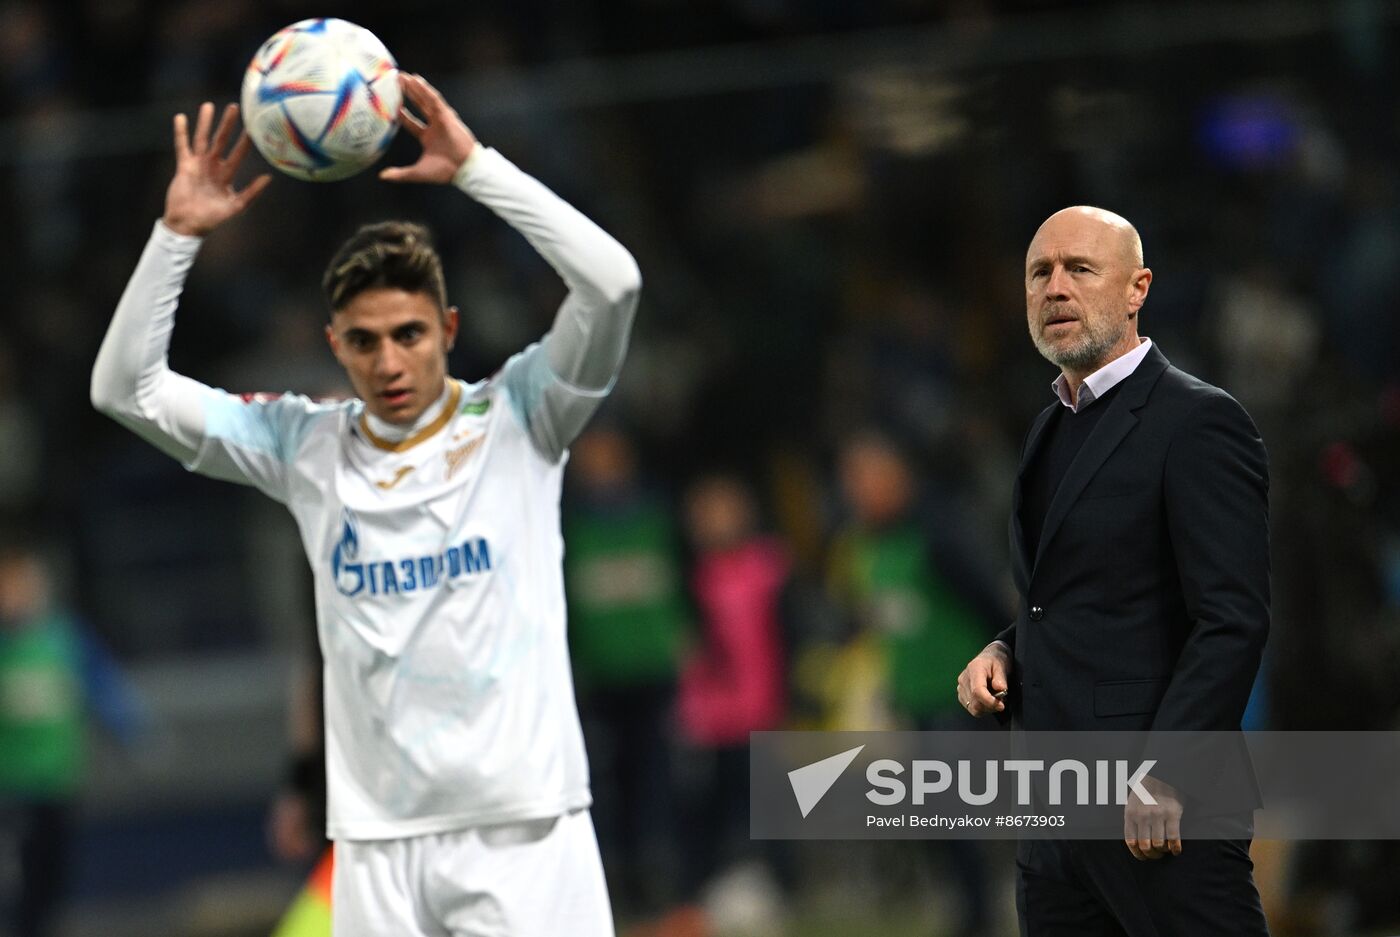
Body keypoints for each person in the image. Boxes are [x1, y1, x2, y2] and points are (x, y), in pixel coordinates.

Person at [91, 72, 640, 937]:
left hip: (525, 827)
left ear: (449, 331)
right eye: (365, 341)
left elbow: (612, 285)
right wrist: (175, 237)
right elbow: (125, 389)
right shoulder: (302, 445)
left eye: (409, 334)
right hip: (377, 846)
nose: (389, 362)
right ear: (333, 346)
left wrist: (475, 169)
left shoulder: (522, 417)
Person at [955, 206, 1270, 935]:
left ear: (1138, 289)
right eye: (1040, 272)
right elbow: (1075, 598)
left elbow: (1231, 619)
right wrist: (1005, 648)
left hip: (1159, 815)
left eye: (1079, 269)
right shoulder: (1048, 426)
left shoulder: (1199, 421)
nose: (1055, 288)